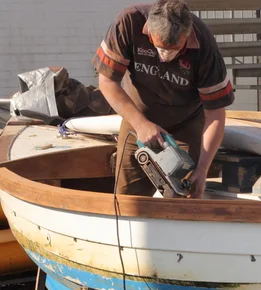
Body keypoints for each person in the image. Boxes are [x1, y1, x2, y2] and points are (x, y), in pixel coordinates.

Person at [92, 0, 234, 198]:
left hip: (187, 121)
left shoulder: (204, 44)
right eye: (160, 47)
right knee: (128, 196)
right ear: (148, 29)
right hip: (138, 117)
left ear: (188, 33)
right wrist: (141, 125)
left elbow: (216, 114)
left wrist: (202, 169)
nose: (165, 56)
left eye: (174, 48)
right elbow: (107, 82)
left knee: (184, 193)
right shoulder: (128, 22)